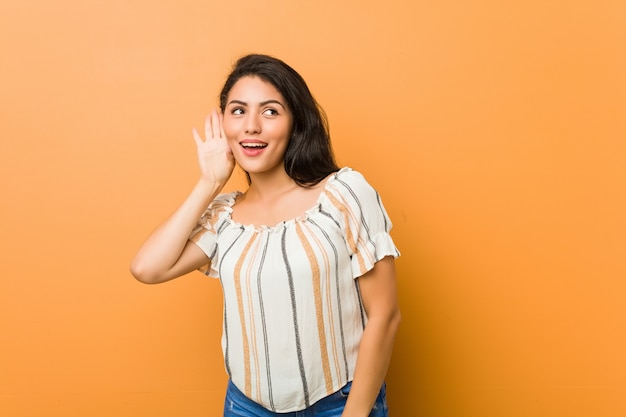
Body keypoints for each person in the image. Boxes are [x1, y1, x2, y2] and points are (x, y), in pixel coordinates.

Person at [130, 54, 401, 417]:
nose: (251, 126)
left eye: (270, 111)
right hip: (246, 407)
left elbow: (385, 314)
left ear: (295, 123)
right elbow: (148, 268)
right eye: (238, 111)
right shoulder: (224, 216)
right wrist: (209, 182)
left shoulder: (343, 193)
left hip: (340, 405)